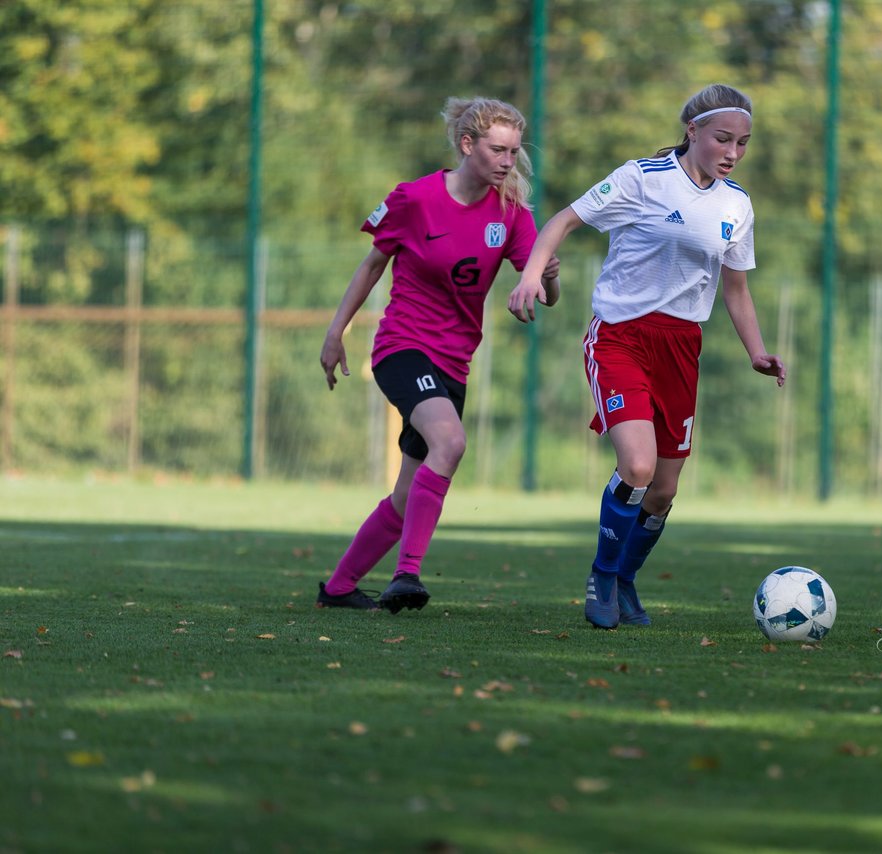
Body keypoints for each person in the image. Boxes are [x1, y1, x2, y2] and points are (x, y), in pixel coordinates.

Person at [507, 83, 785, 629]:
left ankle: (627, 581)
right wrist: (531, 274)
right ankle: (602, 575)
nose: (732, 152)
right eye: (722, 139)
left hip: (682, 346)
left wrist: (757, 352)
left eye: (743, 143)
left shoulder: (737, 204)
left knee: (662, 491)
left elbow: (735, 290)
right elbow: (564, 220)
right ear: (692, 131)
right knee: (637, 466)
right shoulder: (643, 178)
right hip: (621, 335)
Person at [318, 96, 559, 613]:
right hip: (402, 347)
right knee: (449, 442)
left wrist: (546, 278)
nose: (507, 161)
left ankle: (338, 588)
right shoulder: (414, 198)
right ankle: (407, 575)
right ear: (467, 144)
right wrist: (336, 330)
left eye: (514, 151)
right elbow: (371, 266)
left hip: (454, 364)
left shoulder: (512, 214)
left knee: (408, 495)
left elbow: (542, 288)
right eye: (498, 149)